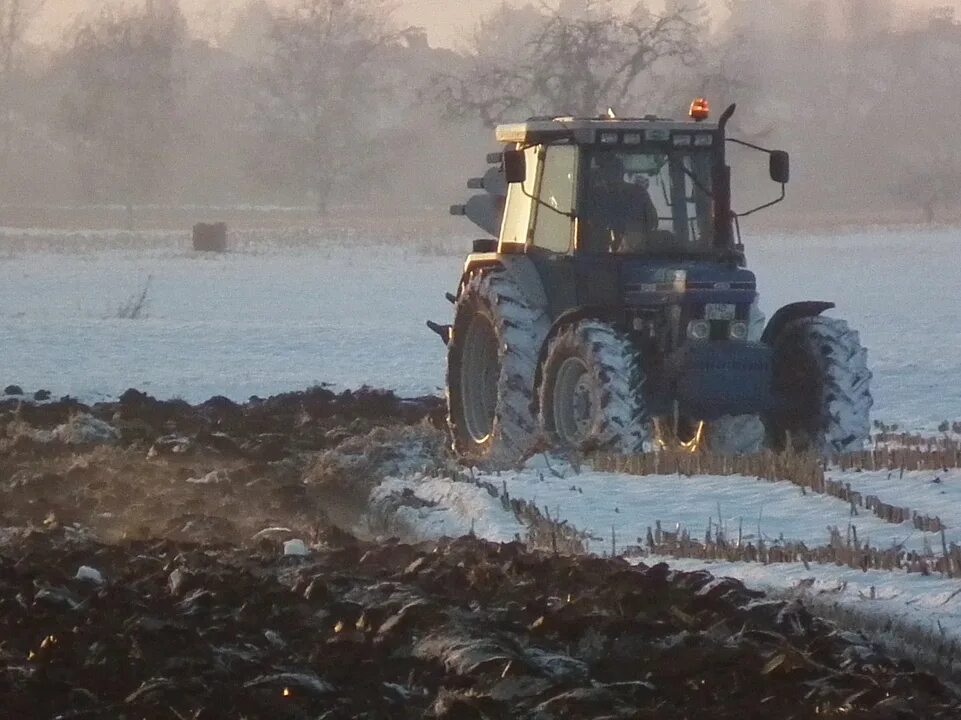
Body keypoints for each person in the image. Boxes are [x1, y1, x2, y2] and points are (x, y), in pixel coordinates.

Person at [589, 153, 659, 252]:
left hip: (634, 251)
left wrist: (632, 235)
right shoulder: (596, 195)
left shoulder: (638, 193)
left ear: (621, 173)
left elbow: (652, 221)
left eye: (613, 172)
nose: (610, 177)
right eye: (607, 173)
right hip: (599, 252)